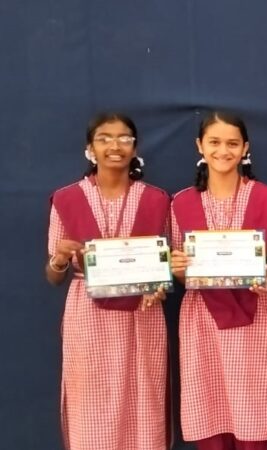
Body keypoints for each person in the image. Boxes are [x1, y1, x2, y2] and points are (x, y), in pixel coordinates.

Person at [46, 112, 169, 450]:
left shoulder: (157, 199)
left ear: (135, 148)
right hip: (88, 315)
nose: (115, 145)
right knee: (91, 403)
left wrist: (160, 286)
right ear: (90, 148)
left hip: (141, 315)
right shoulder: (66, 199)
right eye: (104, 138)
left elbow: (167, 264)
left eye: (124, 138)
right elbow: (54, 276)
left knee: (142, 400)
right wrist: (59, 259)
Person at [170, 111, 267, 450]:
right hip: (202, 319)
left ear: (245, 148)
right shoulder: (180, 202)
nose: (223, 151)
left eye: (232, 143)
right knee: (208, 408)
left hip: (255, 317)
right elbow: (179, 268)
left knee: (254, 412)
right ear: (200, 146)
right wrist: (176, 267)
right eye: (215, 142)